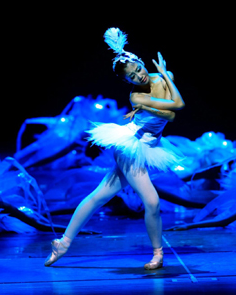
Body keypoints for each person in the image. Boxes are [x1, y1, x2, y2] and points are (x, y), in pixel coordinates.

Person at [44, 27, 185, 270]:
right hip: (131, 146)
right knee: (152, 202)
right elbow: (173, 112)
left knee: (100, 195)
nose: (138, 76)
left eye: (138, 69)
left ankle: (63, 243)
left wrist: (164, 74)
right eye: (131, 76)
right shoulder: (137, 98)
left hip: (149, 144)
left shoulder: (164, 76)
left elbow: (177, 106)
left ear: (142, 62)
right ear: (126, 81)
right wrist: (166, 84)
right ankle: (158, 254)